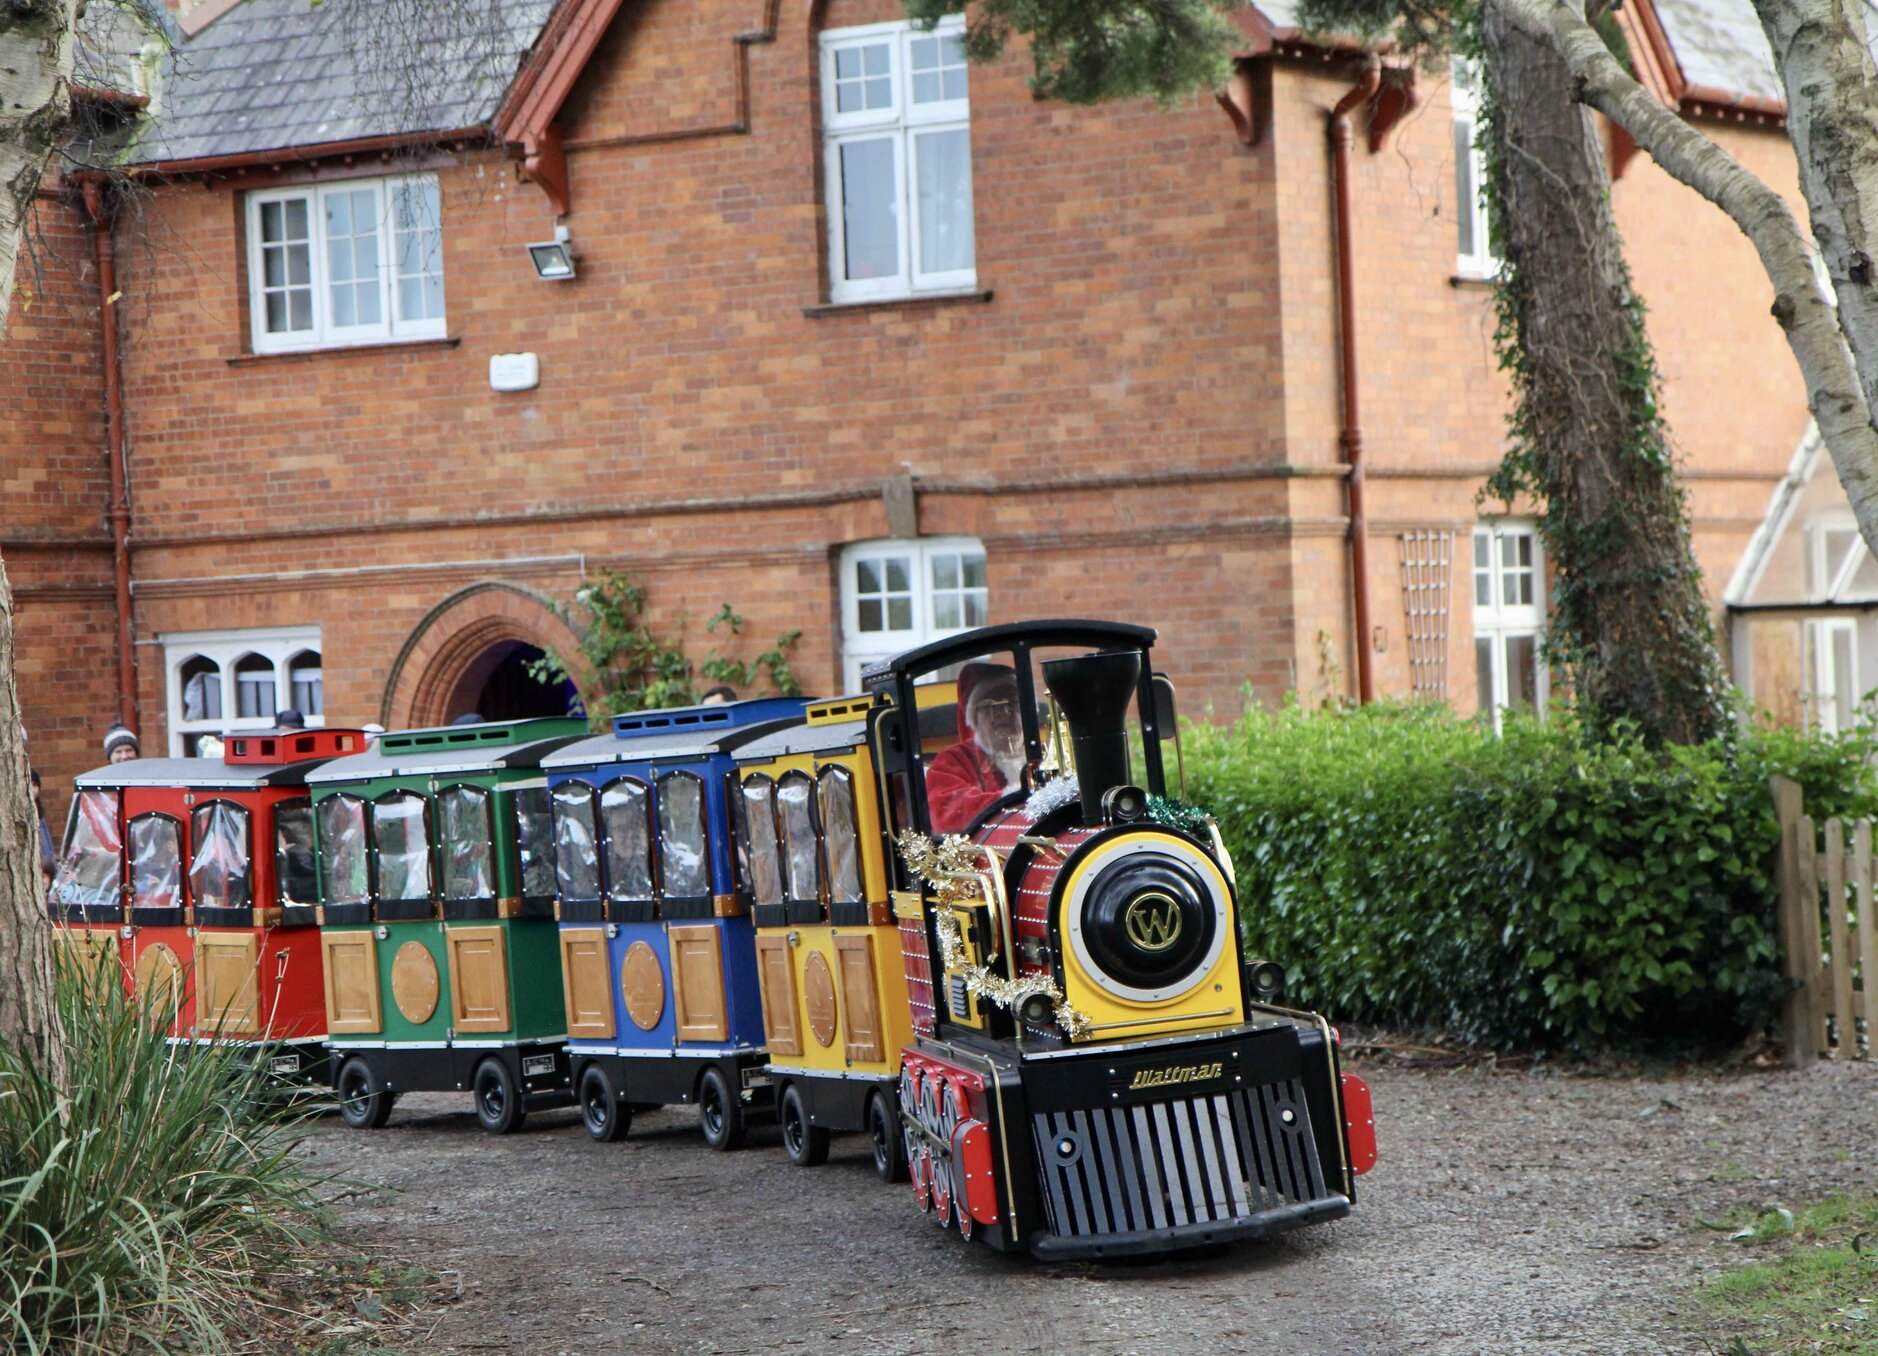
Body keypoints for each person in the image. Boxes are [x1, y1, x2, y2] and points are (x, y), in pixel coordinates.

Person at [925, 662, 1027, 834]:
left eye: (1012, 703)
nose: (1003, 713)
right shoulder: (952, 761)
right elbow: (947, 813)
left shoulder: (1045, 754)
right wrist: (1013, 798)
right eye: (990, 706)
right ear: (975, 719)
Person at [31, 769, 53, 894]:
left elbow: (47, 846)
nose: (33, 789)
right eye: (29, 784)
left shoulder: (40, 814)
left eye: (35, 785)